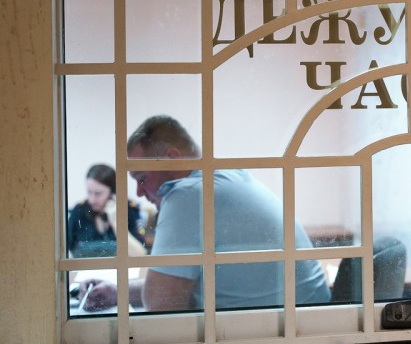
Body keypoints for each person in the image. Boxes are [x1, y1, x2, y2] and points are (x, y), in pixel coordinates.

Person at [81, 115, 330, 312]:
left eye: (142, 178)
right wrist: (118, 292)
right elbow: (172, 288)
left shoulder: (188, 195)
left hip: (290, 337)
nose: (139, 191)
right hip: (309, 322)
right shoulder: (225, 176)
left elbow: (161, 307)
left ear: (172, 159)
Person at [67, 164, 149, 258]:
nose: (92, 200)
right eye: (89, 192)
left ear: (112, 192)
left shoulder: (130, 210)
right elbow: (64, 248)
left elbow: (140, 254)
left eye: (98, 193)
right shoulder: (79, 211)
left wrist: (116, 223)